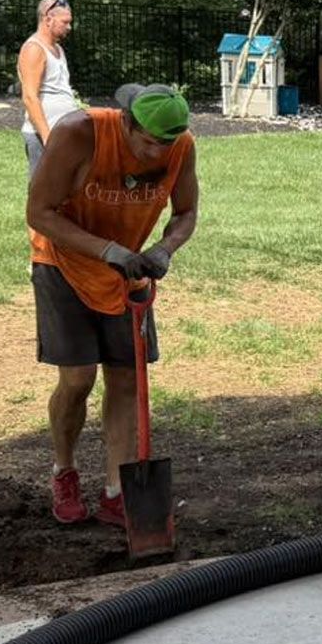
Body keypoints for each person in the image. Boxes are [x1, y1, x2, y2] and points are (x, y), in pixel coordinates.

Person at [26, 84, 197, 526]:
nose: (157, 154)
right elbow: (39, 211)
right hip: (63, 262)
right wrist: (106, 251)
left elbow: (186, 212)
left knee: (126, 382)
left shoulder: (181, 147)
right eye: (148, 143)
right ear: (127, 122)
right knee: (79, 379)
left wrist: (164, 249)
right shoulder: (79, 133)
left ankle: (117, 492)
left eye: (167, 144)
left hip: (129, 271)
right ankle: (64, 472)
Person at [19, 0, 83, 174]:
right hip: (44, 137)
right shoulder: (34, 49)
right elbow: (30, 97)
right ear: (48, 19)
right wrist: (48, 139)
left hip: (63, 134)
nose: (69, 27)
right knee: (44, 196)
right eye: (65, 22)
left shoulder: (58, 49)